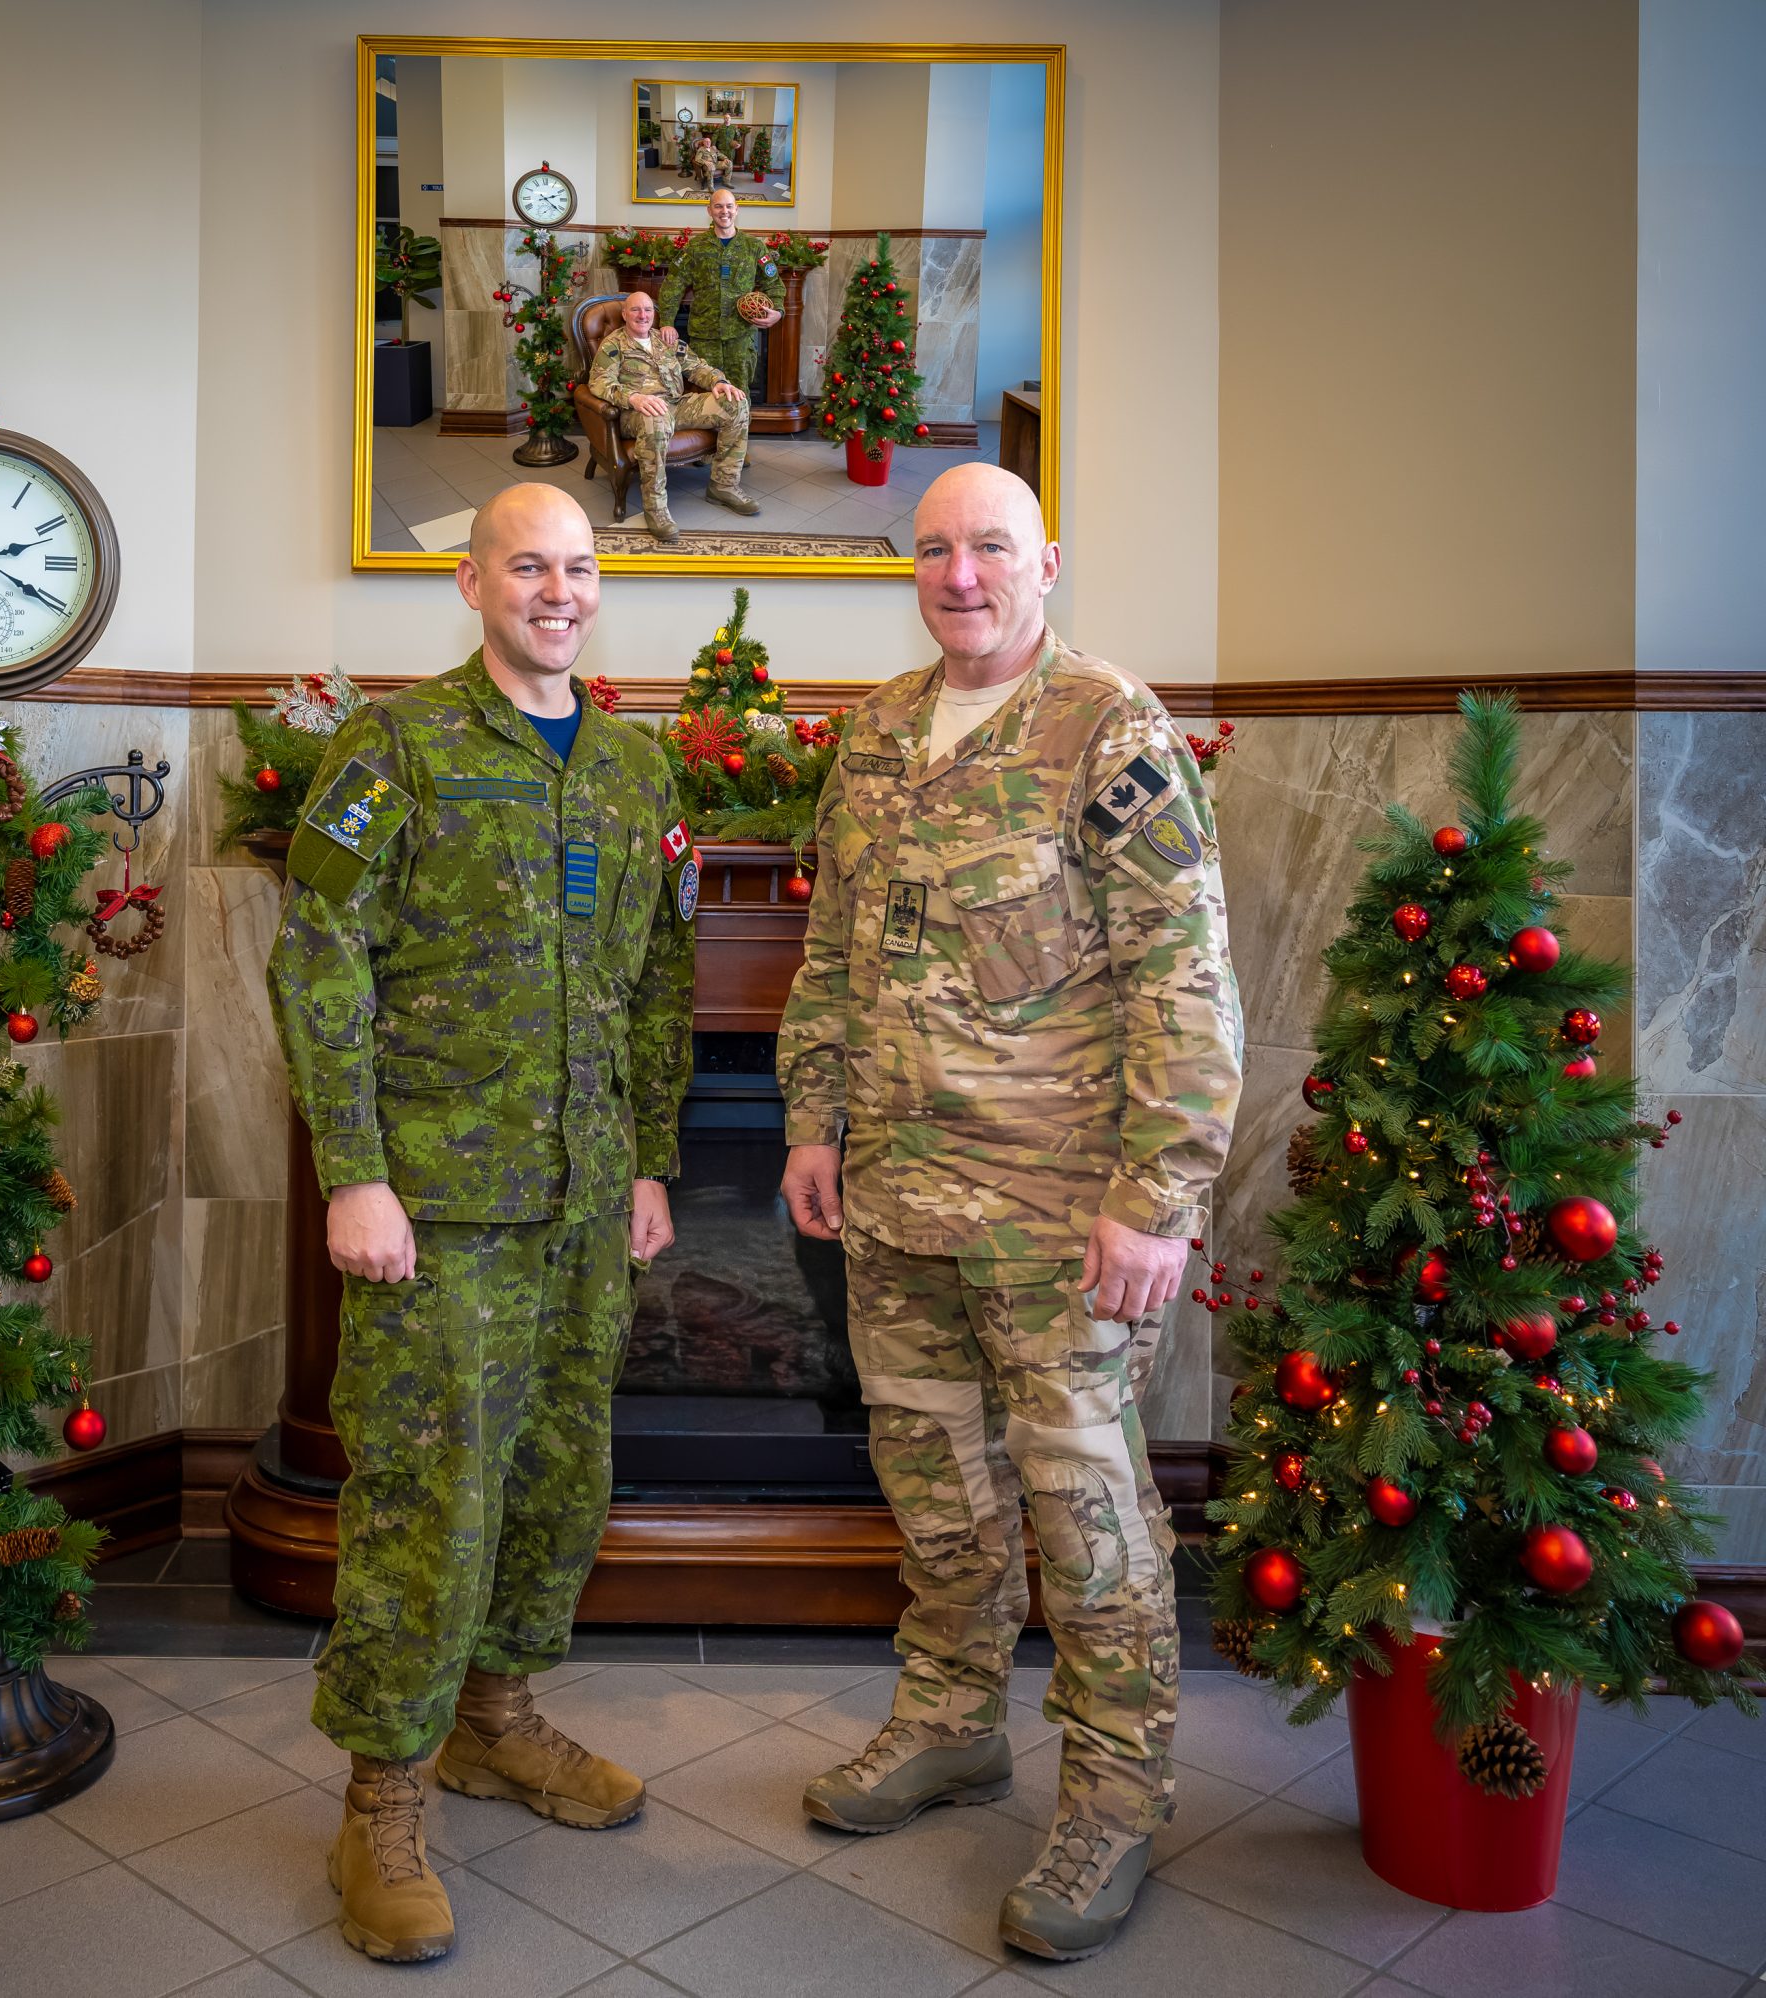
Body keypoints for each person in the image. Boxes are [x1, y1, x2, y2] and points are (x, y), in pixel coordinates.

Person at [776, 463, 1242, 1964]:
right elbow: (834, 950)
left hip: (1062, 1217)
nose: (959, 574)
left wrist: (1156, 1197)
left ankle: (1114, 1792)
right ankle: (951, 1721)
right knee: (936, 1489)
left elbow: (1186, 975)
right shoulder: (874, 737)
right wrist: (810, 1116)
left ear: (1049, 559)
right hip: (900, 1197)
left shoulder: (1114, 730)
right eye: (934, 550)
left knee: (1086, 1514)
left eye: (990, 546)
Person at [268, 481, 698, 1964]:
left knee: (564, 1470)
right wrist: (353, 1167)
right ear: (472, 584)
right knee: (427, 1491)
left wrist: (647, 1161)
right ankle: (381, 1790)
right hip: (437, 1200)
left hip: (587, 1201)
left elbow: (658, 982)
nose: (558, 589)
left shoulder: (640, 768)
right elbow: (320, 951)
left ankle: (497, 1719)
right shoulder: (393, 745)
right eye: (530, 564)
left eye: (580, 566)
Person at [587, 289, 756, 542]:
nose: (642, 315)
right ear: (624, 314)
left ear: (654, 314)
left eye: (647, 310)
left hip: (677, 404)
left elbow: (696, 366)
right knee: (655, 418)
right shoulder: (613, 344)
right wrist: (634, 398)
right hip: (638, 412)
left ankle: (724, 485)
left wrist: (718, 382)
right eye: (635, 309)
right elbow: (598, 383)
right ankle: (655, 507)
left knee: (736, 403)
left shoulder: (665, 340)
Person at [656, 187, 782, 400]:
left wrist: (777, 311)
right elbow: (673, 284)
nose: (725, 211)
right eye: (719, 206)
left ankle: (739, 434)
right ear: (709, 211)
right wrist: (667, 321)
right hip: (705, 336)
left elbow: (773, 284)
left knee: (740, 395)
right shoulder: (695, 247)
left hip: (740, 337)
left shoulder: (754, 248)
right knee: (705, 396)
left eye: (729, 206)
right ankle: (707, 435)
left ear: (737, 209)